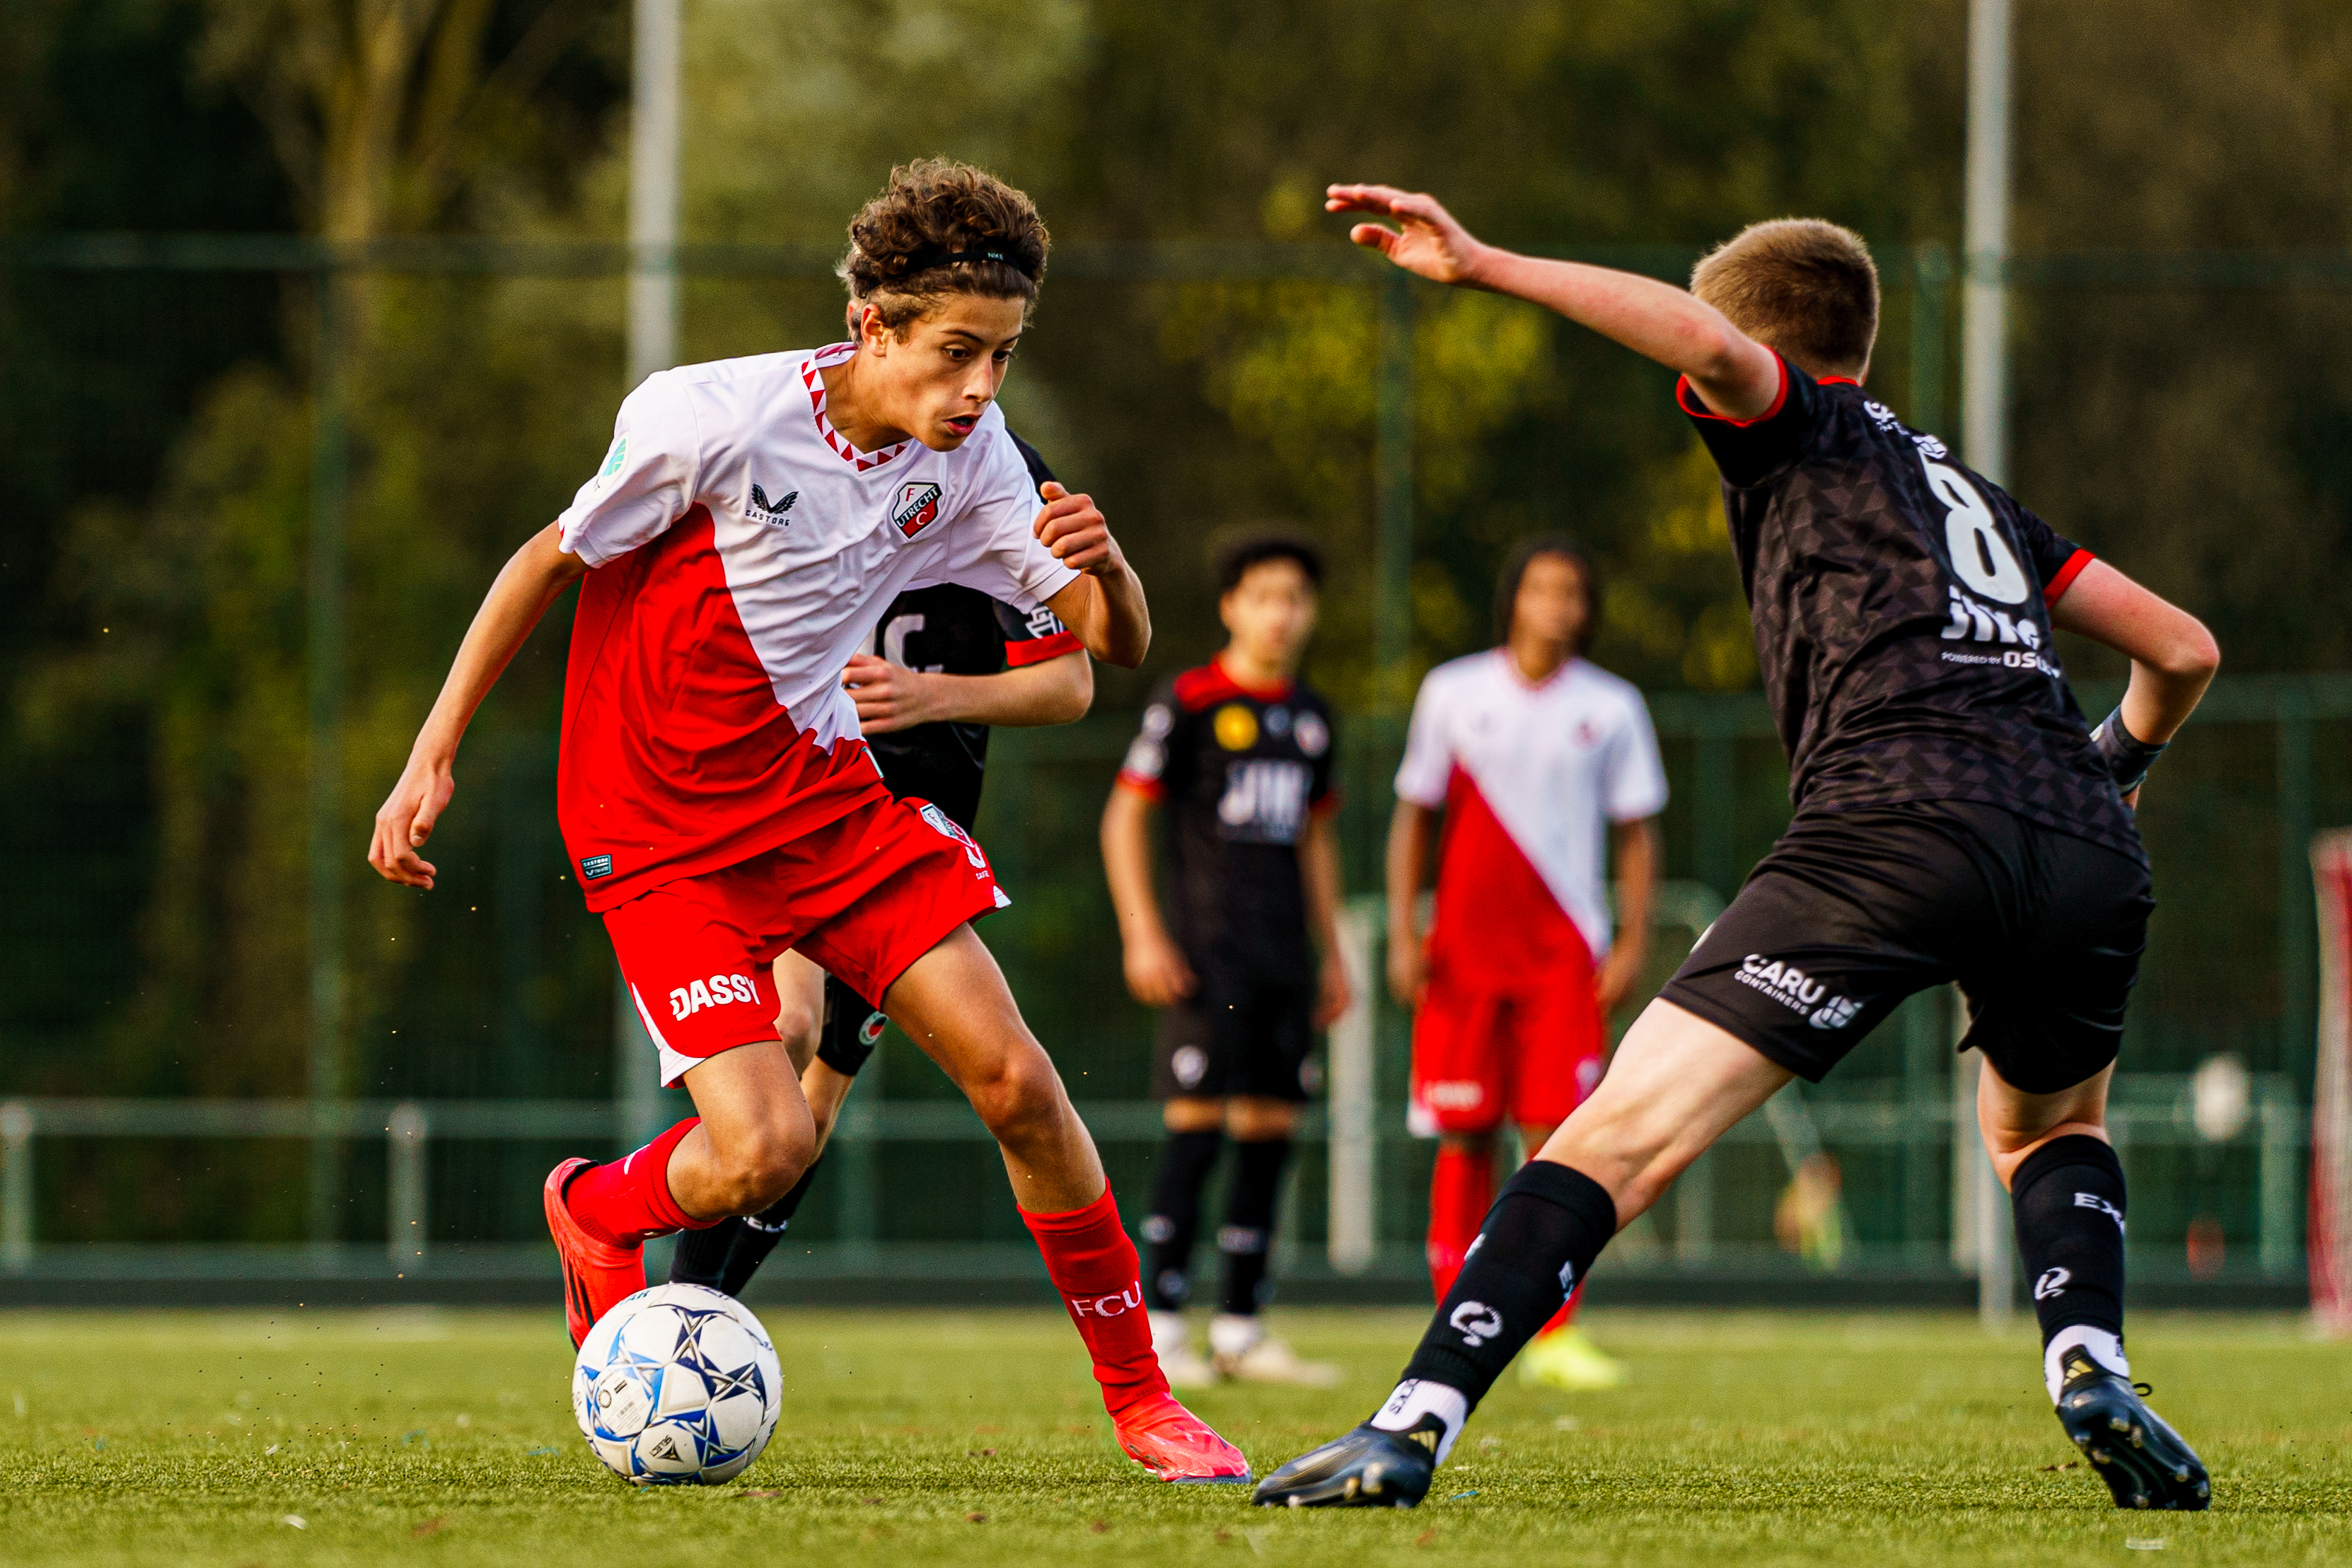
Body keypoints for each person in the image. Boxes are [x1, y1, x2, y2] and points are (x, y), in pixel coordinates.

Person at [1254, 185, 2218, 1511]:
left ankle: (1411, 1420)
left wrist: (1485, 264)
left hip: (1894, 817)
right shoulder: (1972, 493)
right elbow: (2181, 650)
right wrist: (2112, 772)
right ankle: (2089, 1359)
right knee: (2045, 1130)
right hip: (2079, 842)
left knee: (1616, 1138)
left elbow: (1712, 353)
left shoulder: (1799, 421)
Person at [366, 159, 1247, 1485]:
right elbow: (548, 560)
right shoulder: (709, 417)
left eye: (1003, 358)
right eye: (959, 353)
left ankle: (1143, 1402)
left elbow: (1106, 651)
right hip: (656, 831)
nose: (981, 390)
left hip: (827, 805)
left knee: (1020, 1081)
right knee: (767, 1147)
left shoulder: (979, 461)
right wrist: (431, 752)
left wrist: (1108, 565)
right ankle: (594, 1205)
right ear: (875, 326)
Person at [668, 415, 1095, 1300]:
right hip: (796, 813)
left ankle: (696, 1309)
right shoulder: (786, 446)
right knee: (781, 1037)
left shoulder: (1004, 476)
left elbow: (1072, 682)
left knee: (822, 1100)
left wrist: (927, 693)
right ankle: (669, 1308)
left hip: (912, 830)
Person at [1389, 536, 1664, 1393]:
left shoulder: (1612, 706)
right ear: (1513, 599)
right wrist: (1403, 932)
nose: (1557, 605)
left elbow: (1637, 833)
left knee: (1561, 1139)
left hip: (1562, 961)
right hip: (1463, 958)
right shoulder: (1452, 692)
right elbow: (1414, 817)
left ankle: (1552, 1331)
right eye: (1542, 588)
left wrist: (1630, 942)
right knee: (1463, 1133)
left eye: (1572, 592)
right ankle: (1453, 1309)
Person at [1101, 533, 1349, 1386]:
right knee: (1195, 1132)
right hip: (1207, 959)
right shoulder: (1192, 700)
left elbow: (1317, 840)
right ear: (1231, 606)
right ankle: (1165, 1328)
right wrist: (1143, 931)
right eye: (1264, 595)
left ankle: (1241, 1327)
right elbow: (1123, 817)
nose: (1281, 613)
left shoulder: (1312, 718)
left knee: (1271, 1134)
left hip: (1284, 960)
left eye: (1295, 598)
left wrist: (1335, 952)